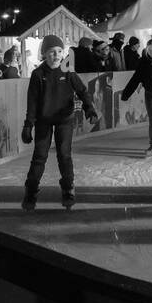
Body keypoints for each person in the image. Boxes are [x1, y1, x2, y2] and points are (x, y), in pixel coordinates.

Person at [21, 34, 98, 211]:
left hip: (64, 120)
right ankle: (31, 190)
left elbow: (82, 91)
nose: (56, 55)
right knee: (39, 156)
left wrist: (89, 109)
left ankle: (68, 189)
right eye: (51, 52)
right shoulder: (38, 74)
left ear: (63, 53)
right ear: (44, 54)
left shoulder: (68, 72)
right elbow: (32, 101)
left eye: (59, 51)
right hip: (44, 121)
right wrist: (28, 124)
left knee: (64, 155)